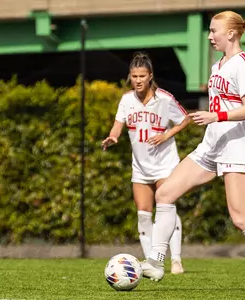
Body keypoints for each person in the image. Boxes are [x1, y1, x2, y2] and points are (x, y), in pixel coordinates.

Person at [140, 11, 245, 292]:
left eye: (214, 31)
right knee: (164, 193)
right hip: (211, 146)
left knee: (240, 218)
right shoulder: (217, 66)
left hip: (238, 147)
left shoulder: (243, 63)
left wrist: (216, 117)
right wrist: (211, 121)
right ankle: (155, 261)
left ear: (232, 34)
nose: (210, 36)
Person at [102, 52, 190, 275]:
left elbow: (185, 119)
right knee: (143, 213)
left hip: (165, 164)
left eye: (142, 75)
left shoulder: (165, 99)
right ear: (129, 77)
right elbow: (117, 126)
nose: (138, 80)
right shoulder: (126, 100)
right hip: (140, 167)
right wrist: (113, 137)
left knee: (166, 208)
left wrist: (166, 135)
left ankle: (176, 259)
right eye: (134, 76)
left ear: (150, 76)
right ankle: (152, 264)